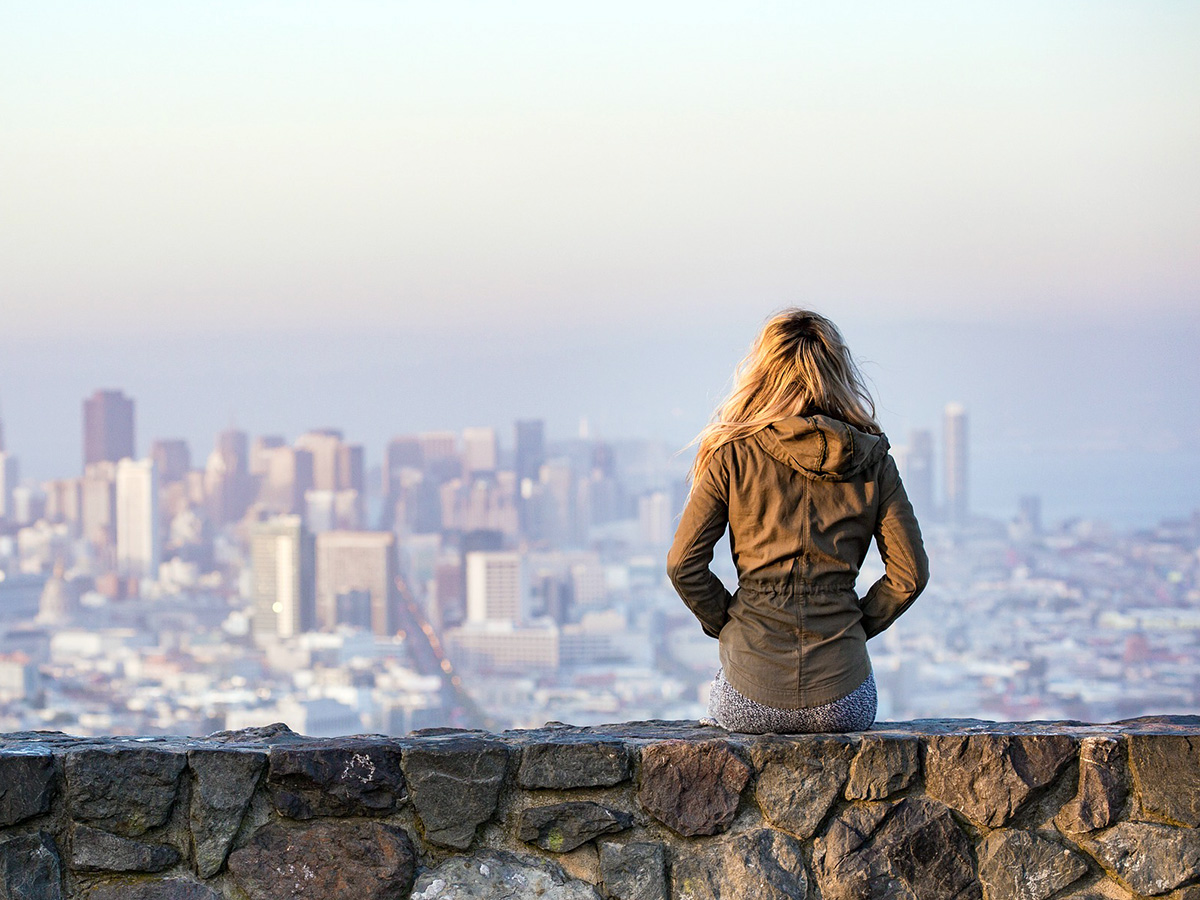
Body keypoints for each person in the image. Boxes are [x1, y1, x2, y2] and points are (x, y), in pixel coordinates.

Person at [666, 309, 928, 733]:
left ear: (763, 372)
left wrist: (731, 622)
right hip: (845, 699)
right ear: (838, 371)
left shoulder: (731, 455)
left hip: (748, 692)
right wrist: (854, 625)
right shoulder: (874, 460)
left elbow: (682, 565)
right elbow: (910, 575)